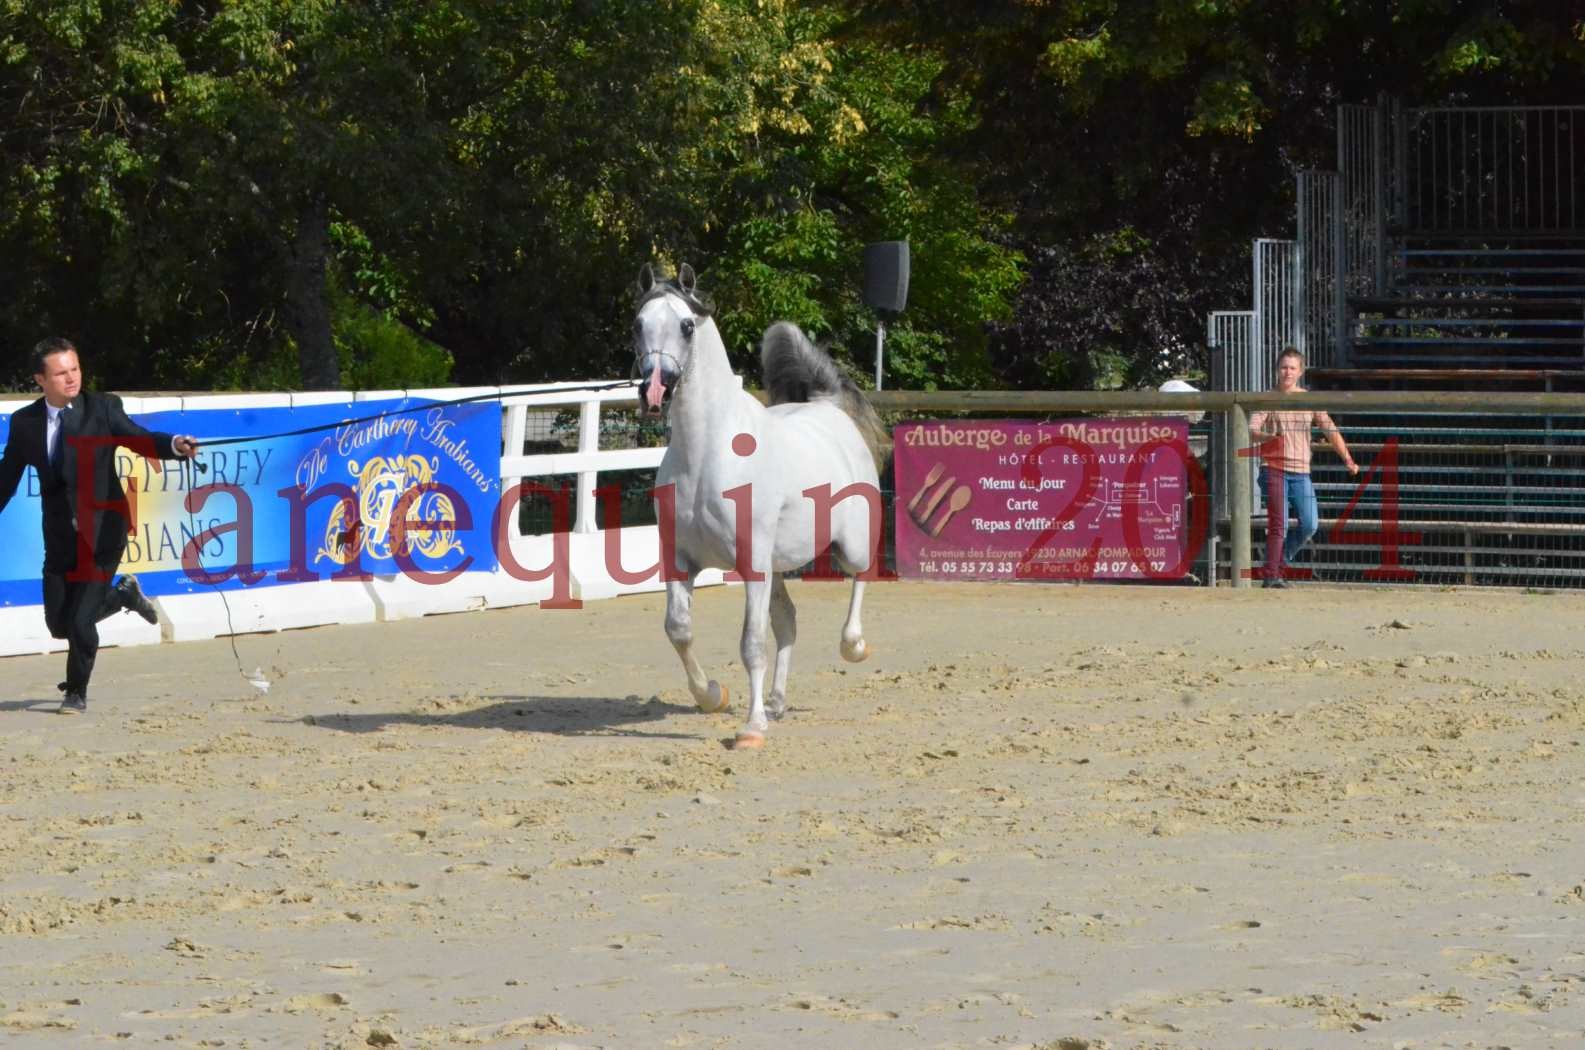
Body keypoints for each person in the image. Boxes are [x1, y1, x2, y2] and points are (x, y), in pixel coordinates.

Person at [0, 338, 200, 713]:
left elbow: (139, 439)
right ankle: (123, 595)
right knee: (59, 626)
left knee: (79, 622)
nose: (72, 378)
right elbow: (6, 478)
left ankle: (75, 692)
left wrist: (174, 445)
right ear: (40, 379)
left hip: (103, 530)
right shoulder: (25, 423)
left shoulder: (102, 409)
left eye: (75, 369)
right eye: (61, 373)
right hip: (60, 538)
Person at [1248, 347, 1358, 588]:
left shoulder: (1309, 399)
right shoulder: (1267, 398)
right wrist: (1269, 436)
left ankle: (1277, 562)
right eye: (1283, 367)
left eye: (1292, 368)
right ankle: (1271, 575)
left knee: (1310, 523)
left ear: (1300, 371)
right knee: (1280, 523)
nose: (1287, 372)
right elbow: (1252, 430)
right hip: (1273, 468)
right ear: (1277, 370)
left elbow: (1329, 429)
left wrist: (1347, 458)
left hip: (1301, 472)